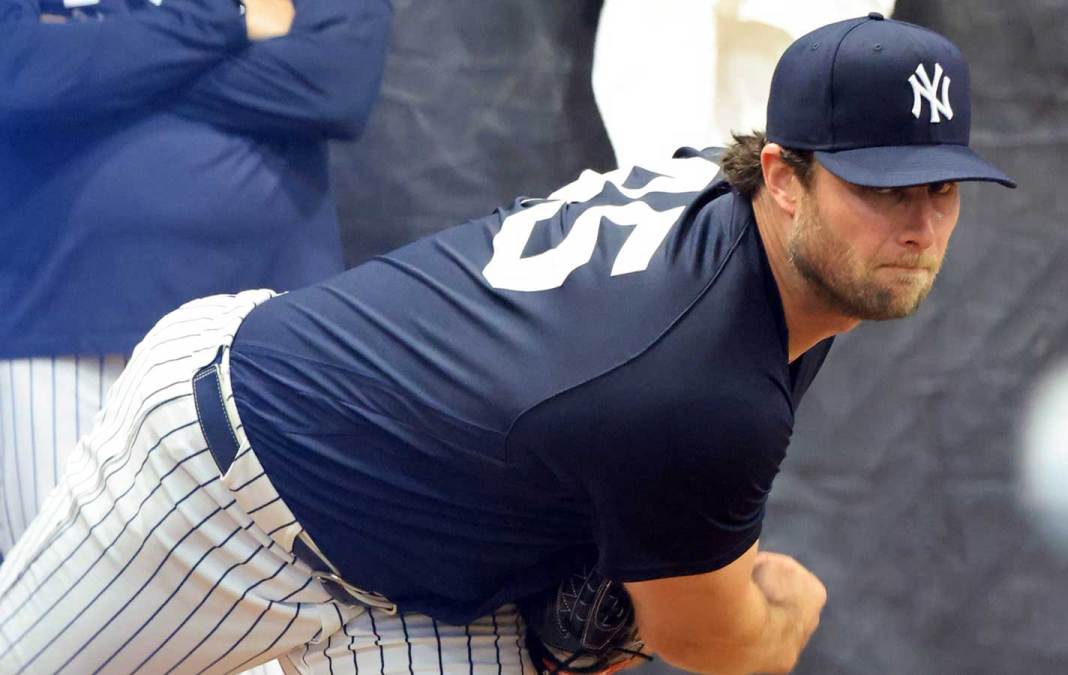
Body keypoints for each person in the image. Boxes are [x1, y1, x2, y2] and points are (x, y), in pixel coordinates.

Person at [0, 14, 1014, 674]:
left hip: (430, 589)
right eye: (880, 185)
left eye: (938, 186)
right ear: (786, 175)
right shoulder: (706, 382)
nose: (917, 223)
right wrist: (782, 609)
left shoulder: (735, 203)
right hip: (227, 471)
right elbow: (714, 641)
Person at [0, 0, 393, 565]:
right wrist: (225, 21)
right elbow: (16, 71)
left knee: (264, 625)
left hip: (261, 333)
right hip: (53, 324)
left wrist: (99, 68)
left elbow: (336, 80)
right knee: (50, 620)